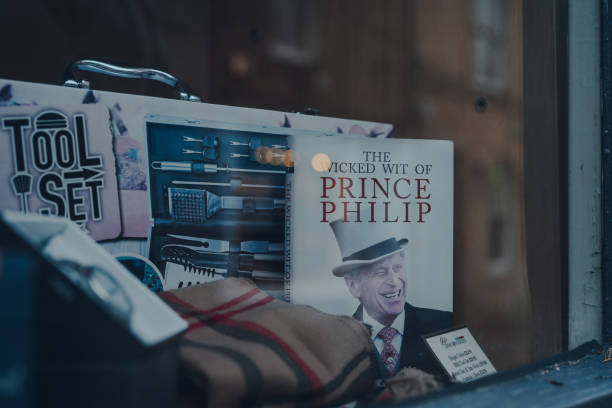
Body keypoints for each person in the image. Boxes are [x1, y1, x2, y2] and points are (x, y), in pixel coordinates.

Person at [329, 218, 452, 379]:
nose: (394, 281)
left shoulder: (446, 325)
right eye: (380, 272)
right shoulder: (337, 344)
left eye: (397, 267)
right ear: (353, 285)